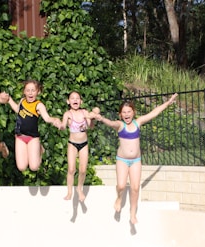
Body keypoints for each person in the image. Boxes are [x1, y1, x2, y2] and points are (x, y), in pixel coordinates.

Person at [93, 93, 178, 225]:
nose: (127, 114)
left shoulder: (138, 123)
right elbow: (109, 123)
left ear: (134, 112)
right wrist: (101, 118)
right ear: (120, 114)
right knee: (121, 186)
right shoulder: (120, 125)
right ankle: (119, 198)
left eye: (129, 111)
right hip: (122, 160)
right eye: (124, 112)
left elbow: (153, 113)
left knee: (135, 187)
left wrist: (168, 103)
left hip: (136, 161)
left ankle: (132, 213)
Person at [7, 79, 61, 172]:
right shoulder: (22, 101)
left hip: (33, 137)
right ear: (24, 92)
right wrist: (9, 99)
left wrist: (55, 120)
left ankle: (40, 149)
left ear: (38, 92)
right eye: (28, 90)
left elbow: (47, 118)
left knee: (34, 167)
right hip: (20, 136)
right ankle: (37, 149)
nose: (30, 93)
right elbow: (17, 109)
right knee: (21, 167)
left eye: (33, 90)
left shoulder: (38, 105)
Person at [59, 91, 98, 202]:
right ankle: (70, 191)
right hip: (72, 144)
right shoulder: (67, 114)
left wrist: (93, 118)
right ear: (68, 101)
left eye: (77, 98)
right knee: (71, 169)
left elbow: (91, 127)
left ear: (81, 101)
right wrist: (60, 125)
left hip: (84, 144)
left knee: (82, 170)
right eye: (72, 98)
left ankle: (79, 188)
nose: (75, 100)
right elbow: (63, 125)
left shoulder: (85, 112)